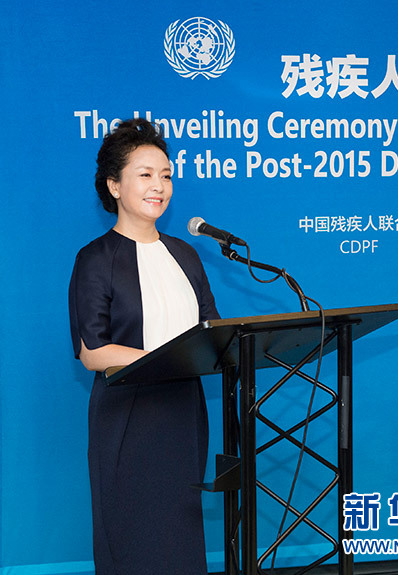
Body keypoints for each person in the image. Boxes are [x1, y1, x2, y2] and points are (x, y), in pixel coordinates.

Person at [69, 118, 219, 574]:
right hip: (128, 415)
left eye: (166, 175)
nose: (160, 186)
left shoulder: (186, 255)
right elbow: (93, 351)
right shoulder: (96, 259)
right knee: (133, 539)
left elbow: (212, 331)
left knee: (180, 539)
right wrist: (171, 359)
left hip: (184, 411)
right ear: (114, 185)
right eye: (146, 174)